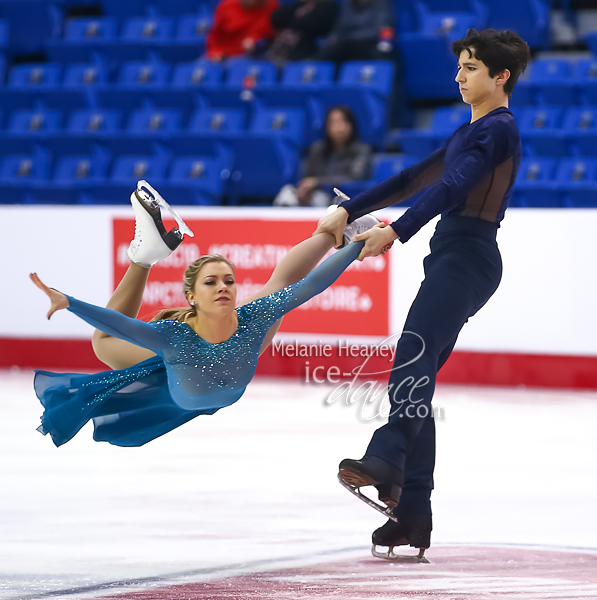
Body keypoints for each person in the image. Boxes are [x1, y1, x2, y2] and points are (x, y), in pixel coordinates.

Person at [314, 28, 531, 561]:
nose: (459, 76)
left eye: (472, 67)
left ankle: (387, 460)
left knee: (411, 354)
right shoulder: (469, 132)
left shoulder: (498, 130)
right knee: (418, 369)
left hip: (470, 256)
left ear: (500, 77)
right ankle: (412, 514)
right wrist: (350, 207)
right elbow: (415, 177)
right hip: (452, 256)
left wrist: (396, 231)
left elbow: (450, 189)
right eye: (459, 66)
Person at [32, 181, 382, 448]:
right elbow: (120, 325)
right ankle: (143, 257)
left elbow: (310, 285)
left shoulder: (253, 317)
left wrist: (358, 243)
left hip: (218, 364)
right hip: (178, 374)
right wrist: (71, 302)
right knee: (104, 344)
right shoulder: (174, 337)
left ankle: (343, 223)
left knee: (282, 284)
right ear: (191, 296)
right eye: (211, 282)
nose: (223, 287)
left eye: (229, 280)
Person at [274, 105, 372, 207]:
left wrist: (318, 182)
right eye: (334, 122)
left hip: (344, 200)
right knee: (287, 192)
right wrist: (305, 191)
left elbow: (355, 178)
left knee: (320, 198)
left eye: (343, 121)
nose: (339, 127)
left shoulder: (362, 150)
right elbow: (308, 177)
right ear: (327, 126)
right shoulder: (317, 149)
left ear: (352, 125)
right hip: (314, 194)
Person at [316, 0, 395, 64]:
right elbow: (339, 29)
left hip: (371, 43)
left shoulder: (381, 2)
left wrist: (350, 37)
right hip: (347, 44)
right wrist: (332, 39)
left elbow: (380, 29)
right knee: (327, 51)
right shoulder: (347, 3)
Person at [206, 0, 278, 61]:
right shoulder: (226, 6)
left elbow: (273, 36)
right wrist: (214, 52)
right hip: (225, 55)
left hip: (257, 56)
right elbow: (215, 35)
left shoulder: (272, 6)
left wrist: (257, 43)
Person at [268, 0, 338, 62]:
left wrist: (291, 20)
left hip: (305, 55)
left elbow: (313, 25)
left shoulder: (328, 6)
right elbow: (276, 19)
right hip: (277, 52)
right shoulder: (297, 6)